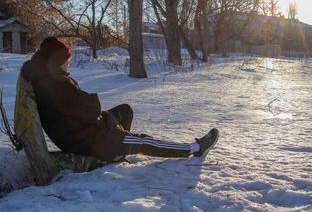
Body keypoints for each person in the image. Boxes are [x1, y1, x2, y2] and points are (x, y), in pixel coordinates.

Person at [20, 37, 219, 162]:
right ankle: (194, 149)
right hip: (93, 140)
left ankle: (121, 149)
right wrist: (102, 115)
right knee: (146, 141)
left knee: (124, 110)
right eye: (67, 60)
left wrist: (103, 116)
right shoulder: (57, 84)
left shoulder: (46, 79)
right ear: (56, 60)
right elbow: (91, 109)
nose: (68, 63)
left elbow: (81, 111)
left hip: (81, 135)